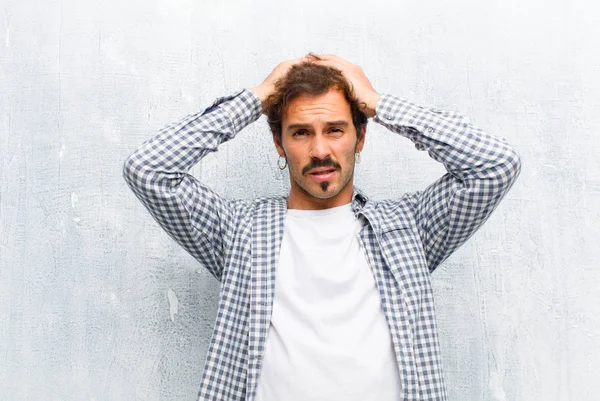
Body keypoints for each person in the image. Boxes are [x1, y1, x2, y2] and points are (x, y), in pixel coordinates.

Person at [123, 54, 522, 401]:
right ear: (279, 144)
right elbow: (149, 170)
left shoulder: (409, 228)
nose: (319, 151)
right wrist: (257, 97)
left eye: (335, 129)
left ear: (359, 136)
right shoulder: (239, 231)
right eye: (300, 133)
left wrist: (379, 104)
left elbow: (495, 165)